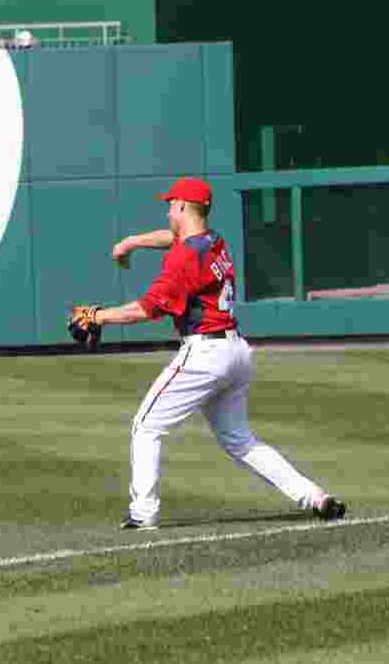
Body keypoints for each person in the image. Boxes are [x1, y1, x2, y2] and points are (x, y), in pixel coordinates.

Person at [93, 177, 346, 530]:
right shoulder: (213, 242)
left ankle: (143, 511)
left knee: (146, 426)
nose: (167, 210)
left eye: (170, 204)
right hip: (236, 351)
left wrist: (98, 315)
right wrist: (132, 242)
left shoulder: (184, 257)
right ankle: (315, 497)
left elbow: (148, 309)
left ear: (182, 206)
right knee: (241, 442)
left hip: (205, 353)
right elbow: (174, 239)